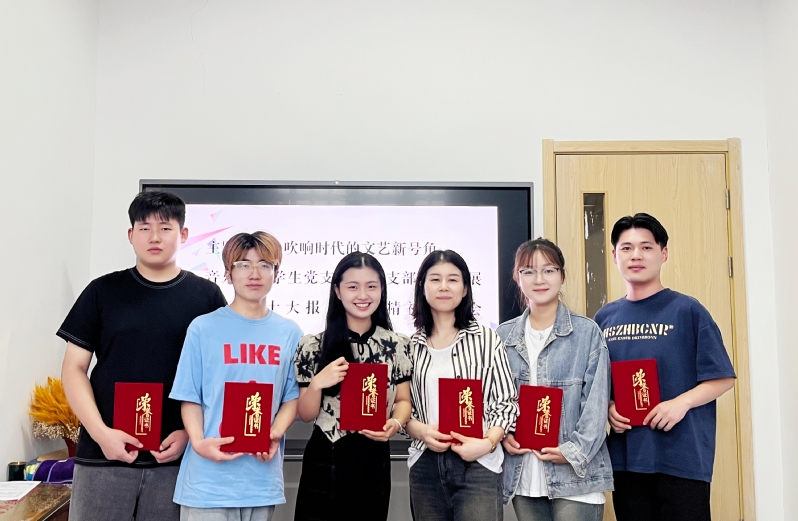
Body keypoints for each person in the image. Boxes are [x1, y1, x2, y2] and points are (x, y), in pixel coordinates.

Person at [59, 191, 227, 521]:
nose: (154, 237)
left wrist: (190, 434)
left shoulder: (206, 297)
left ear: (183, 234)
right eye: (144, 227)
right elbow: (73, 368)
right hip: (104, 457)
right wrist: (101, 434)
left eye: (165, 228)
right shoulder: (102, 291)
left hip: (176, 460)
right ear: (130, 234)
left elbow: (219, 375)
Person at [594, 213, 736, 521]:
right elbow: (596, 385)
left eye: (646, 247)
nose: (636, 255)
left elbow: (723, 377)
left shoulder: (688, 310)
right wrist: (608, 407)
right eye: (627, 248)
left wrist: (680, 403)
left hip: (682, 458)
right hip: (627, 459)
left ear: (664, 253)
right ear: (615, 255)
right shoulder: (604, 319)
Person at [169, 231, 301, 521]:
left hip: (261, 479)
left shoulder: (290, 332)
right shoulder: (203, 328)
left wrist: (274, 434)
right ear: (228, 274)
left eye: (264, 265)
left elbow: (291, 397)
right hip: (207, 482)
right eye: (243, 264)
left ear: (276, 273)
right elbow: (190, 396)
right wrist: (199, 442)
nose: (254, 273)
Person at [498, 238, 612, 521]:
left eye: (548, 270)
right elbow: (494, 400)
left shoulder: (587, 333)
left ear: (562, 276)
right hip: (524, 477)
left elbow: (596, 406)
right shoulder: (502, 337)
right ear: (517, 277)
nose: (539, 279)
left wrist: (573, 451)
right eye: (528, 271)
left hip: (576, 478)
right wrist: (503, 435)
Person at [293, 252, 413, 521]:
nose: (363, 295)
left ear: (382, 289)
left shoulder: (397, 344)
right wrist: (317, 383)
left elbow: (403, 400)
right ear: (337, 291)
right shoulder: (313, 345)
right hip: (326, 455)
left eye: (371, 286)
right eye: (352, 287)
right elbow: (306, 414)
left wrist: (394, 423)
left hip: (373, 456)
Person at [405, 250, 518, 521]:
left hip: (477, 465)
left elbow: (506, 403)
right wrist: (422, 431)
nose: (444, 287)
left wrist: (487, 443)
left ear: (465, 289)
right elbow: (403, 410)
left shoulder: (487, 339)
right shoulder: (410, 346)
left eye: (453, 280)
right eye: (435, 279)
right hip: (426, 464)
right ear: (422, 287)